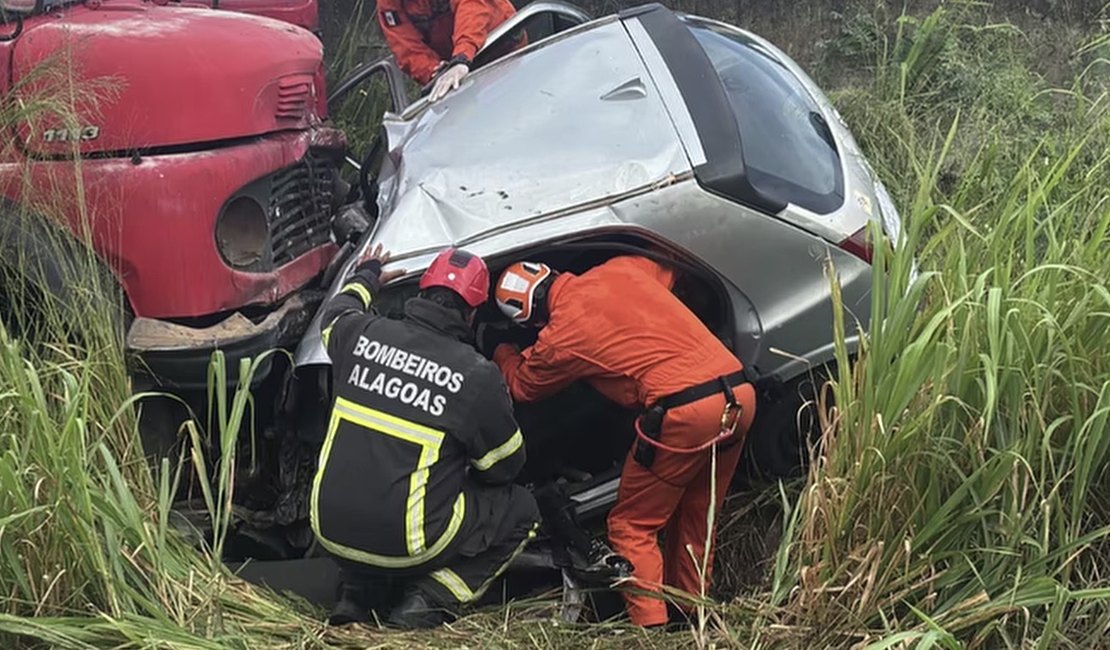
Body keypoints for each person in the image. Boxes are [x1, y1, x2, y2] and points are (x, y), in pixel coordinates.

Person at [488, 255, 758, 628]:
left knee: (631, 526)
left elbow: (521, 386)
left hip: (683, 413)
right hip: (738, 394)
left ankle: (652, 629)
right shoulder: (623, 268)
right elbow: (674, 270)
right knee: (698, 511)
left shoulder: (560, 335)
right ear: (551, 272)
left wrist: (502, 349)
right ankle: (691, 611)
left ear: (533, 320)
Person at [311, 244, 539, 629]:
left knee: (376, 480)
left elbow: (335, 314)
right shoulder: (476, 376)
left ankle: (356, 595)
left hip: (329, 529)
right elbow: (504, 467)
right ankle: (427, 602)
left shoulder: (359, 333)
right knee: (522, 509)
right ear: (471, 314)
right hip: (409, 544)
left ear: (420, 292)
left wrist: (367, 275)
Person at [376, 0, 519, 101]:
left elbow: (472, 8)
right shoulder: (389, 4)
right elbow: (407, 49)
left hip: (503, 47)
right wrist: (436, 73)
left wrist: (462, 56)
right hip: (457, 70)